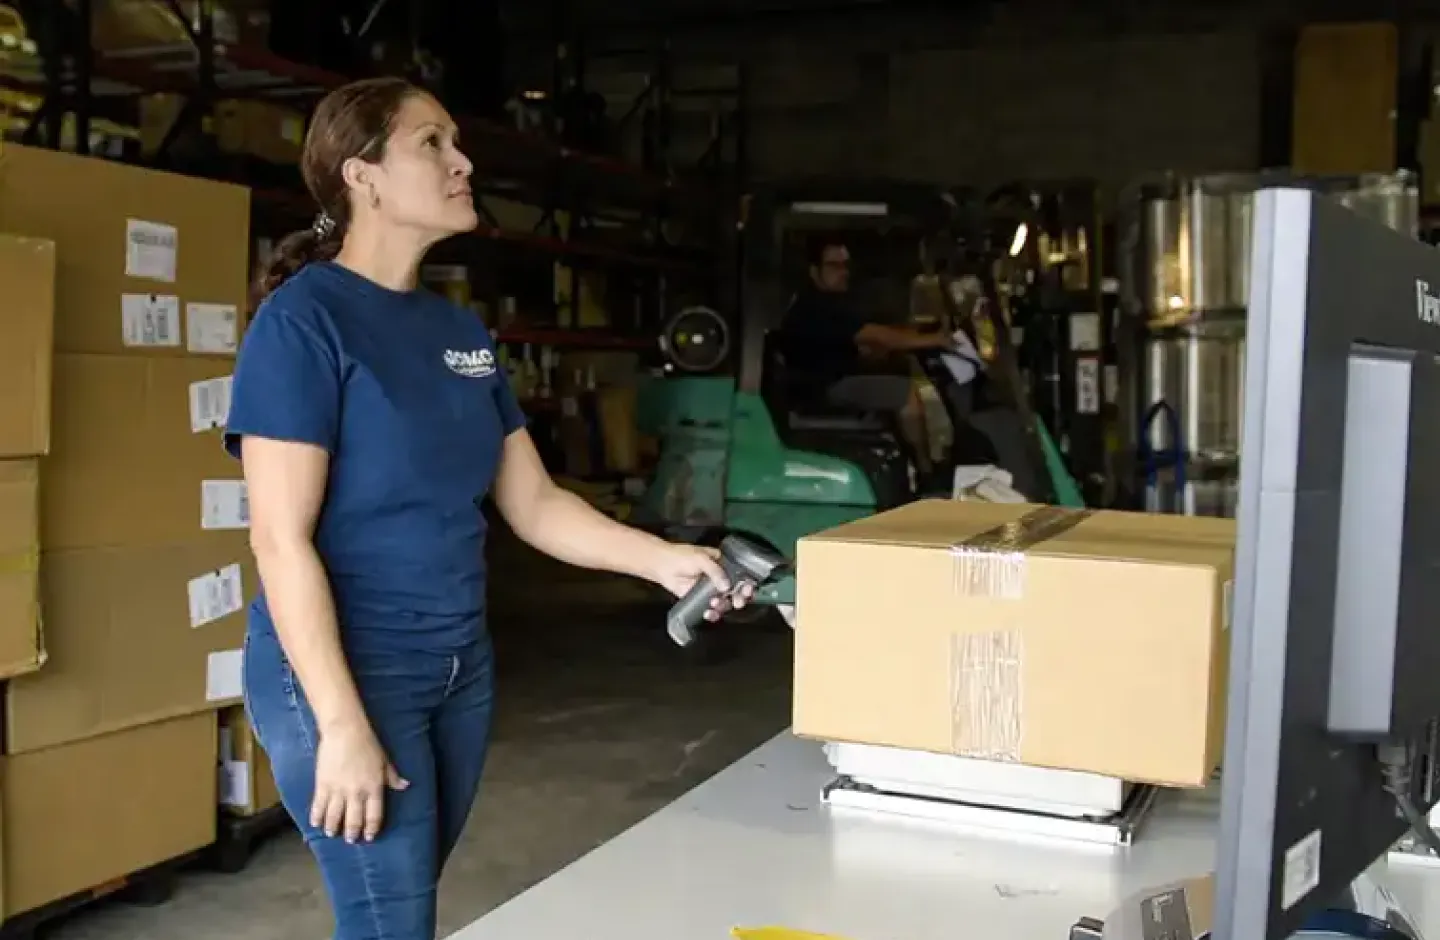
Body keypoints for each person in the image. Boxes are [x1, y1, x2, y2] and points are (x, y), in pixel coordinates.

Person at [224, 77, 753, 940]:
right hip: (351, 672)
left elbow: (534, 502)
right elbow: (279, 541)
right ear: (363, 176)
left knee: (400, 909)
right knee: (393, 924)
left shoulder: (459, 334)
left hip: (458, 669)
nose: (462, 161)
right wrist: (342, 724)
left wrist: (666, 561)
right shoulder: (302, 324)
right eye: (431, 143)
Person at [775, 238, 954, 469]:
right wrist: (934, 339)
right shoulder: (817, 306)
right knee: (906, 392)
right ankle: (925, 471)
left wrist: (909, 339)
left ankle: (904, 459)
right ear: (814, 271)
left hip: (829, 380)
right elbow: (876, 335)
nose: (843, 272)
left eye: (845, 265)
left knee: (894, 370)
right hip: (825, 388)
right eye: (833, 266)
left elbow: (863, 340)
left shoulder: (827, 303)